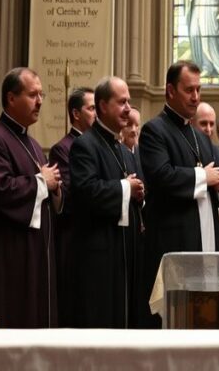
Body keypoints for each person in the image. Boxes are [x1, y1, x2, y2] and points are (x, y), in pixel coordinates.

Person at [0, 67, 61, 328]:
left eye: (41, 95)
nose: (40, 101)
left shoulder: (32, 145)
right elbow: (3, 190)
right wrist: (42, 182)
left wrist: (54, 186)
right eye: (32, 95)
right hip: (7, 256)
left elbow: (44, 188)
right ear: (11, 98)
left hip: (32, 253)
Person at [139, 62, 219, 327]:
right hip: (174, 241)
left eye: (198, 89)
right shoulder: (154, 131)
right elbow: (161, 177)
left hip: (207, 239)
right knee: (174, 317)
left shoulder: (200, 136)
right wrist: (204, 177)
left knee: (203, 315)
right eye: (189, 90)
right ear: (170, 90)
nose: (195, 96)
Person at [68, 77, 145, 328]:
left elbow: (133, 192)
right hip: (100, 254)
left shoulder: (124, 150)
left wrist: (139, 194)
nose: (128, 109)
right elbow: (86, 191)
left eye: (129, 103)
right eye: (121, 102)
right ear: (102, 106)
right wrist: (126, 188)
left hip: (127, 252)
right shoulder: (85, 146)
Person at [48, 86, 95, 327]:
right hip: (72, 236)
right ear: (76, 114)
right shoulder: (63, 148)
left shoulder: (98, 145)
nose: (96, 113)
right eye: (91, 108)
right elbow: (69, 192)